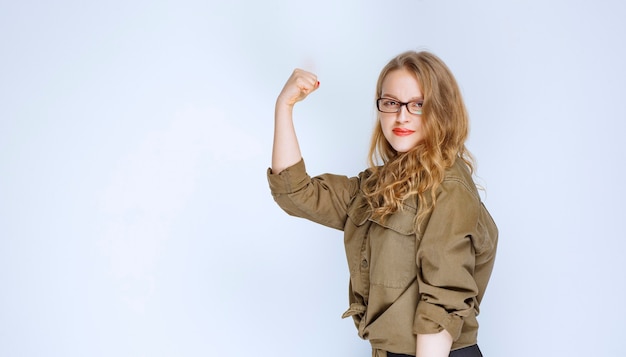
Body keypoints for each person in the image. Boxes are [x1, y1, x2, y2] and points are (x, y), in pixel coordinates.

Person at [267, 50, 498, 357]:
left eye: (417, 105)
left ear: (442, 110)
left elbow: (442, 306)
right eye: (391, 103)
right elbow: (296, 193)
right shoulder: (377, 186)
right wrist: (284, 107)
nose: (401, 116)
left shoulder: (448, 188)